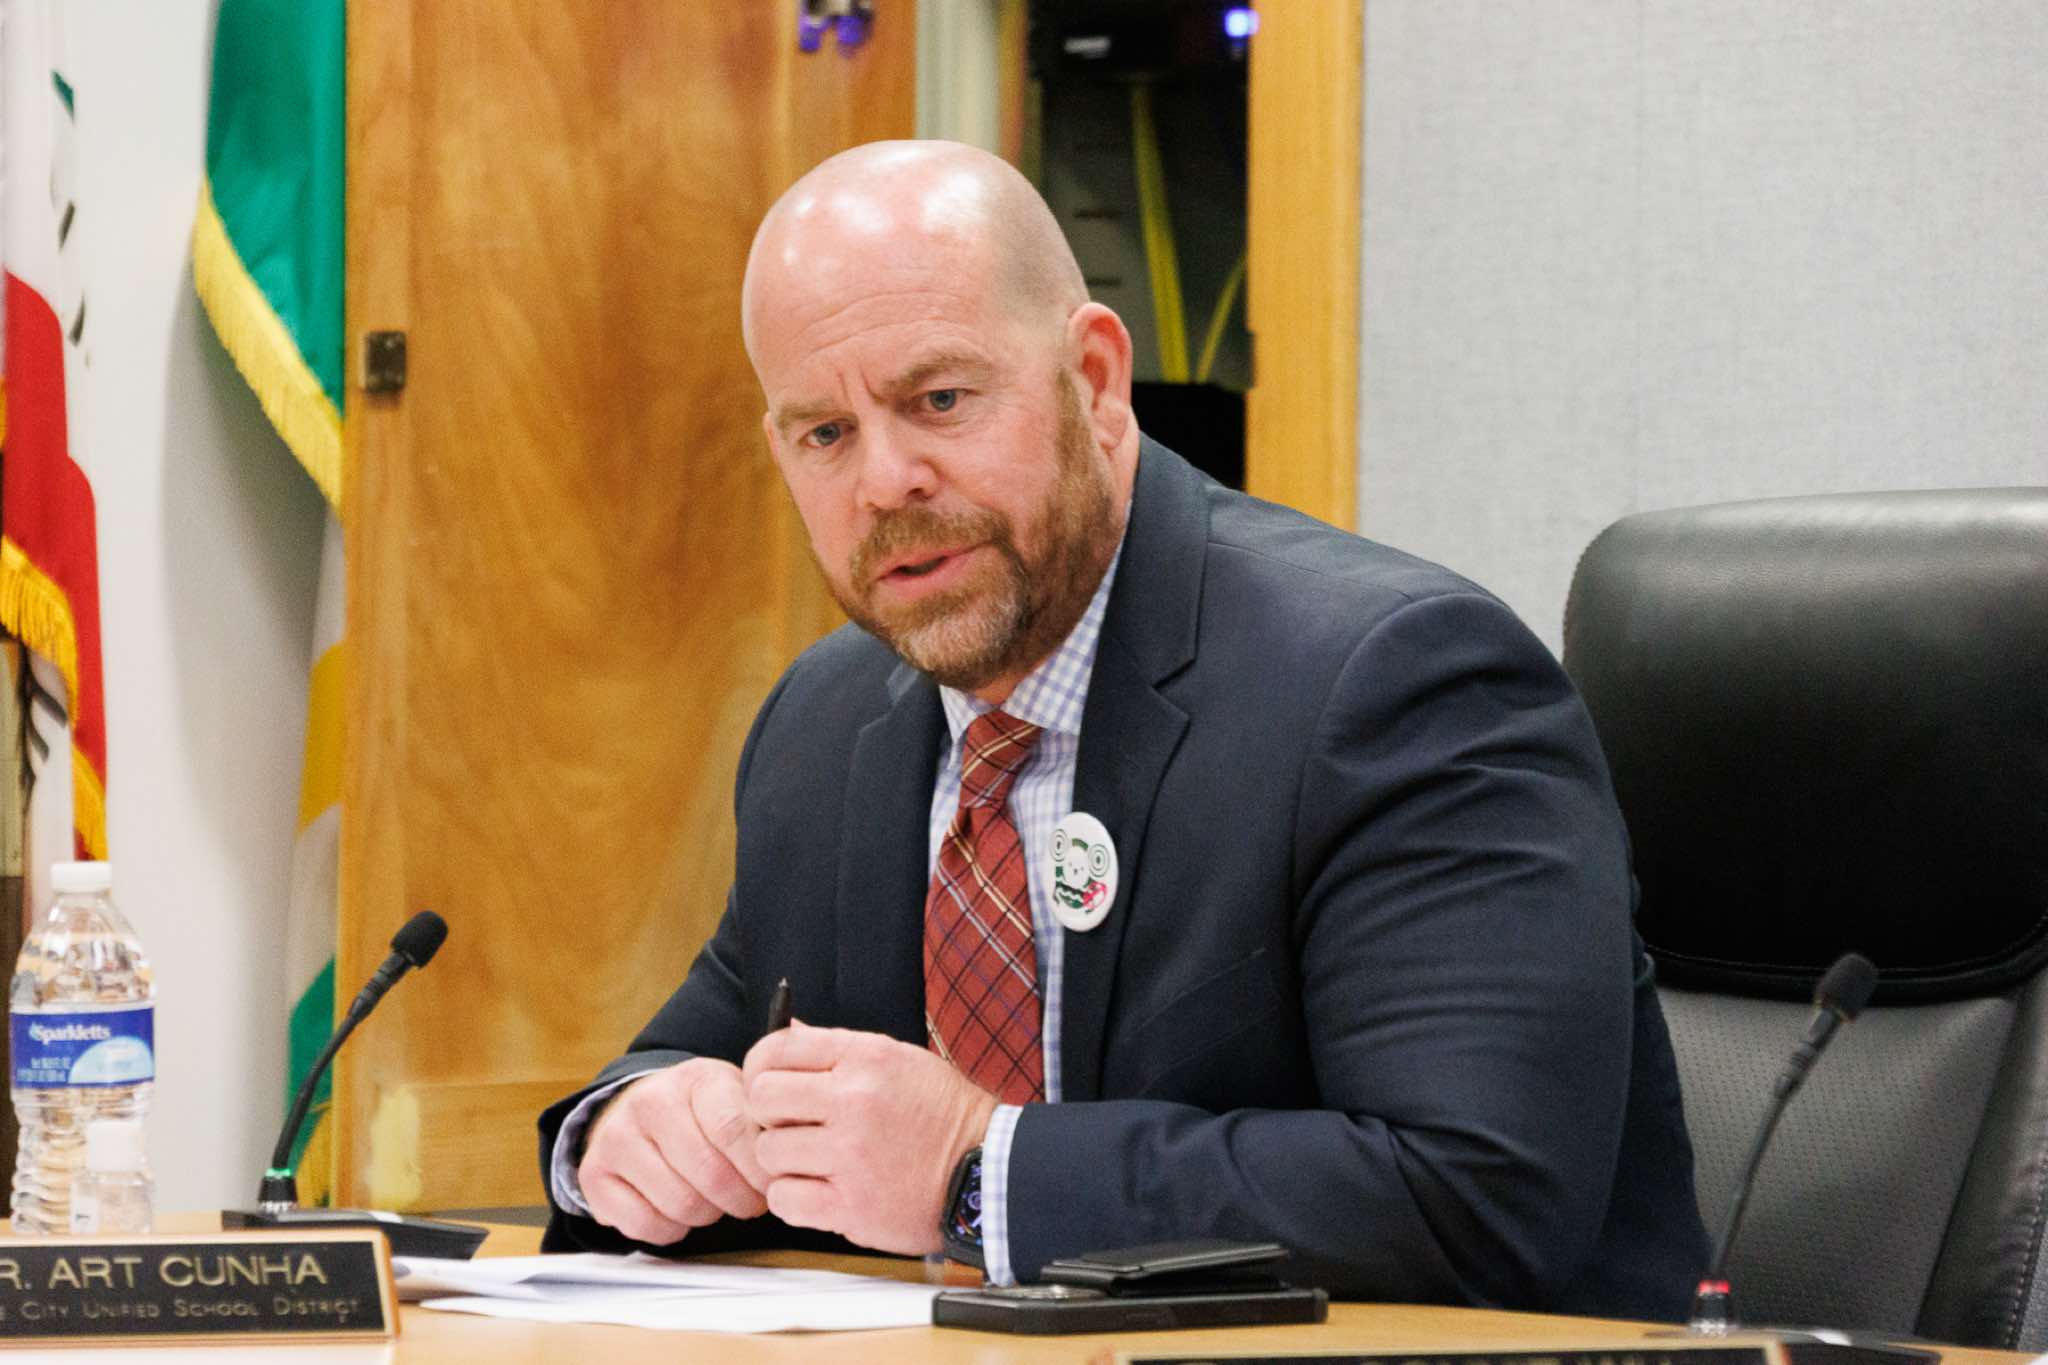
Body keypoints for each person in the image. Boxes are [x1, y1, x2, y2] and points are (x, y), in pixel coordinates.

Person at [538, 139, 1707, 1319]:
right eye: (823, 435)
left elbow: (1475, 1198)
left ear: (1094, 381)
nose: (884, 481)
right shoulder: (825, 720)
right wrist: (628, 1133)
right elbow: (700, 1055)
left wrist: (971, 1170)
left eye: (938, 400)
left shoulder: (1394, 685)